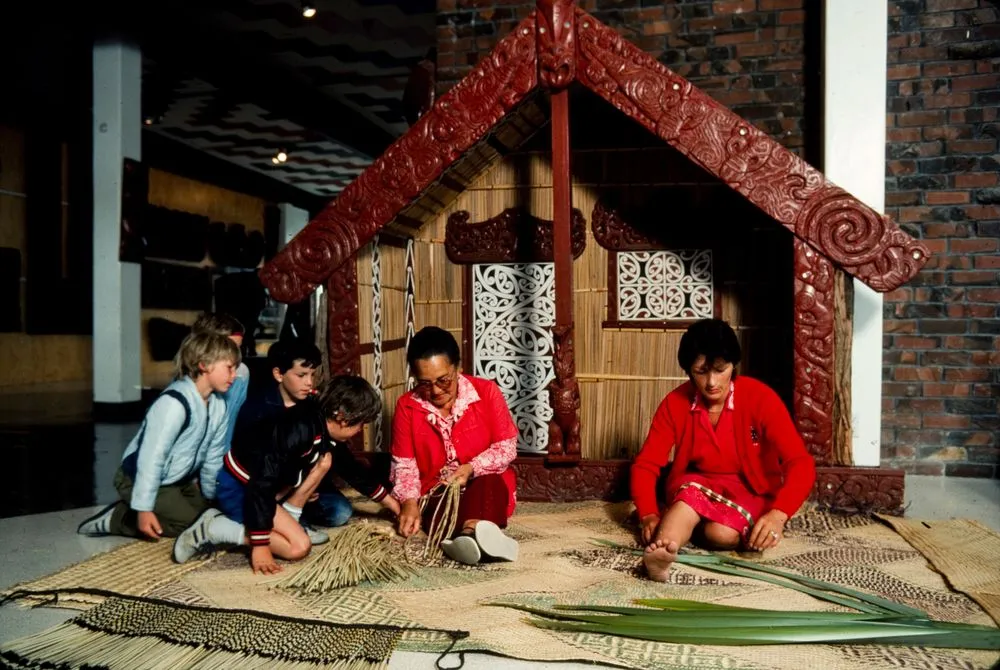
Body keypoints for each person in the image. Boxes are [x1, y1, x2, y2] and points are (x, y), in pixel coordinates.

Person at [631, 318, 816, 581]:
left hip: (750, 488)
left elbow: (799, 462)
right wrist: (648, 513)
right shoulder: (675, 403)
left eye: (720, 369)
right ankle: (661, 555)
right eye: (701, 371)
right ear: (687, 371)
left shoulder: (760, 398)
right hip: (696, 482)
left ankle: (698, 527)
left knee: (720, 534)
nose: (711, 382)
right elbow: (646, 464)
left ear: (734, 365)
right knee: (686, 501)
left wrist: (778, 515)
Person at [172, 375, 400, 574]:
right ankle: (214, 528)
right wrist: (260, 545)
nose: (360, 430)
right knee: (297, 547)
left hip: (270, 490)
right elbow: (260, 483)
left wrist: (392, 504)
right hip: (240, 487)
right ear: (342, 416)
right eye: (360, 424)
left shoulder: (322, 424)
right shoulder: (298, 429)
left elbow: (352, 470)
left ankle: (283, 520)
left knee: (325, 463)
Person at [77, 331, 240, 539]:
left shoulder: (219, 405)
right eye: (229, 368)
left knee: (213, 519)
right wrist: (144, 508)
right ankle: (120, 516)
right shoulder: (174, 404)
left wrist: (211, 498)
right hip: (136, 478)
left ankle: (153, 507)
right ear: (204, 364)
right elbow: (151, 458)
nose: (234, 375)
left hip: (177, 481)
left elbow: (212, 459)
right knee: (192, 527)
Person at [391, 326, 520, 565]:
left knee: (490, 484)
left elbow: (506, 447)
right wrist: (409, 502)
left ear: (458, 367)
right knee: (435, 506)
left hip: (481, 481)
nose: (436, 390)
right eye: (425, 383)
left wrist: (471, 467)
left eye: (443, 380)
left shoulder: (487, 392)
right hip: (438, 488)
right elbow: (405, 464)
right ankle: (481, 535)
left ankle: (467, 535)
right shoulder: (406, 406)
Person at [234, 339, 356, 536]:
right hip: (267, 485)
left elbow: (331, 454)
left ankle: (290, 517)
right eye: (301, 375)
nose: (309, 382)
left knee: (340, 511)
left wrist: (311, 488)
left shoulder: (314, 406)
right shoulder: (257, 410)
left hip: (302, 483)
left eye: (312, 375)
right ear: (279, 374)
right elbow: (258, 468)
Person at [191, 312, 250, 453]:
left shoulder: (240, 373)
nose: (236, 357)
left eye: (238, 348)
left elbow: (231, 422)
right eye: (229, 347)